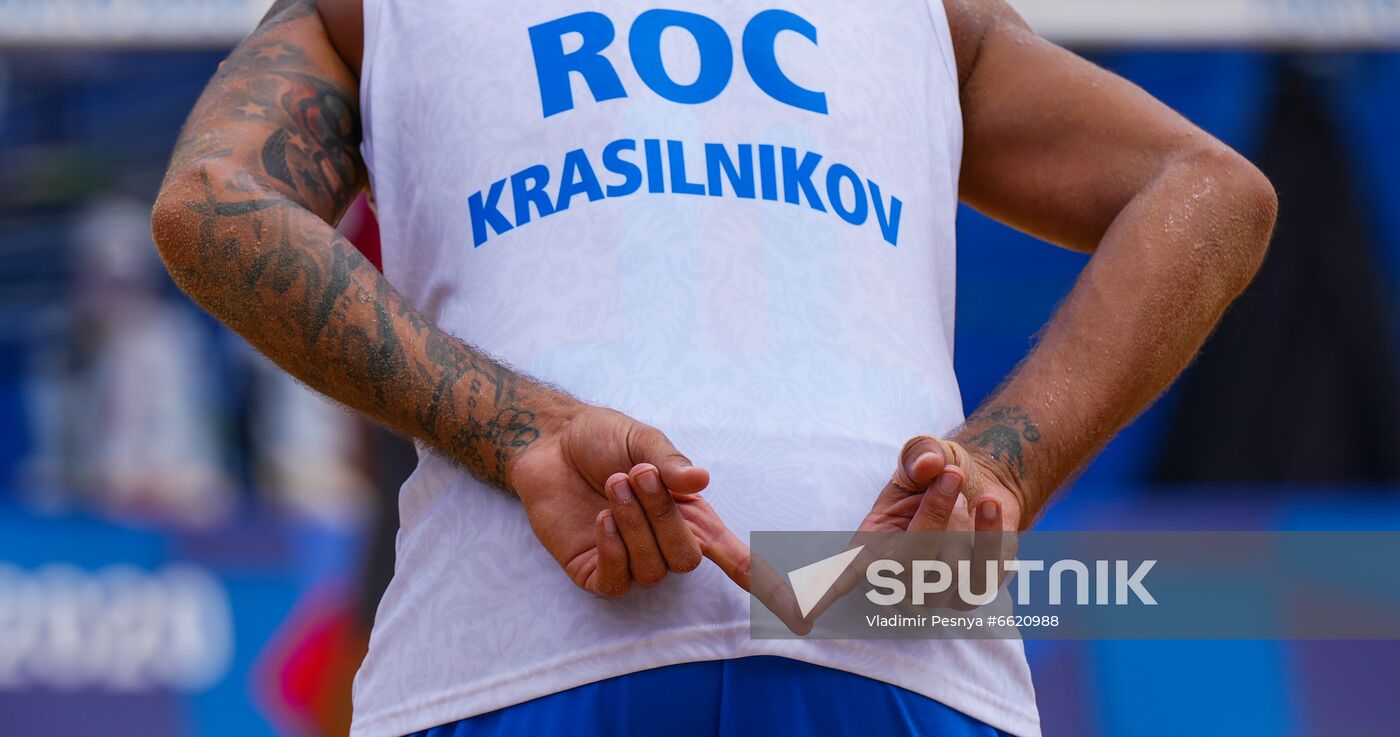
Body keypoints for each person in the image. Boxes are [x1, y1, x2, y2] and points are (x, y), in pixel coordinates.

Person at [150, 0, 1277, 735]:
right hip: (880, 618)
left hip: (527, 645)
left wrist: (520, 431)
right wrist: (1000, 465)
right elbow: (1205, 190)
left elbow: (212, 201)